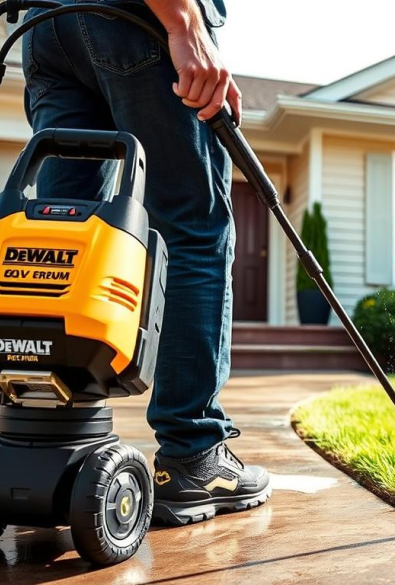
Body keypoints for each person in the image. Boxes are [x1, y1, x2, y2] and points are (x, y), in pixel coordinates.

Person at [22, 0, 269, 526]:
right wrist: (185, 24)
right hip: (133, 20)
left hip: (45, 24)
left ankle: (46, 442)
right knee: (192, 228)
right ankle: (194, 455)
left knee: (66, 228)